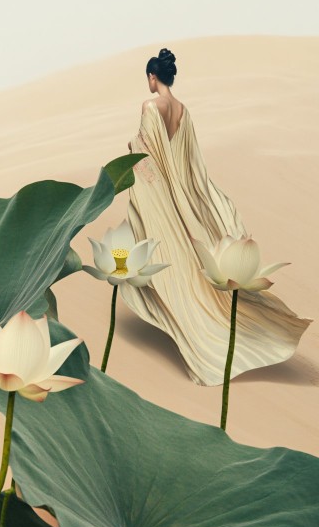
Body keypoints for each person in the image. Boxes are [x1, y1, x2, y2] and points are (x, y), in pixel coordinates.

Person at [123, 48, 310, 386]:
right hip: (184, 193)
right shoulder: (184, 111)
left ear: (153, 77)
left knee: (169, 260)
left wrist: (132, 149)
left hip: (162, 196)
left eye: (148, 79)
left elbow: (147, 153)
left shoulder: (151, 107)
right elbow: (192, 165)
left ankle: (198, 342)